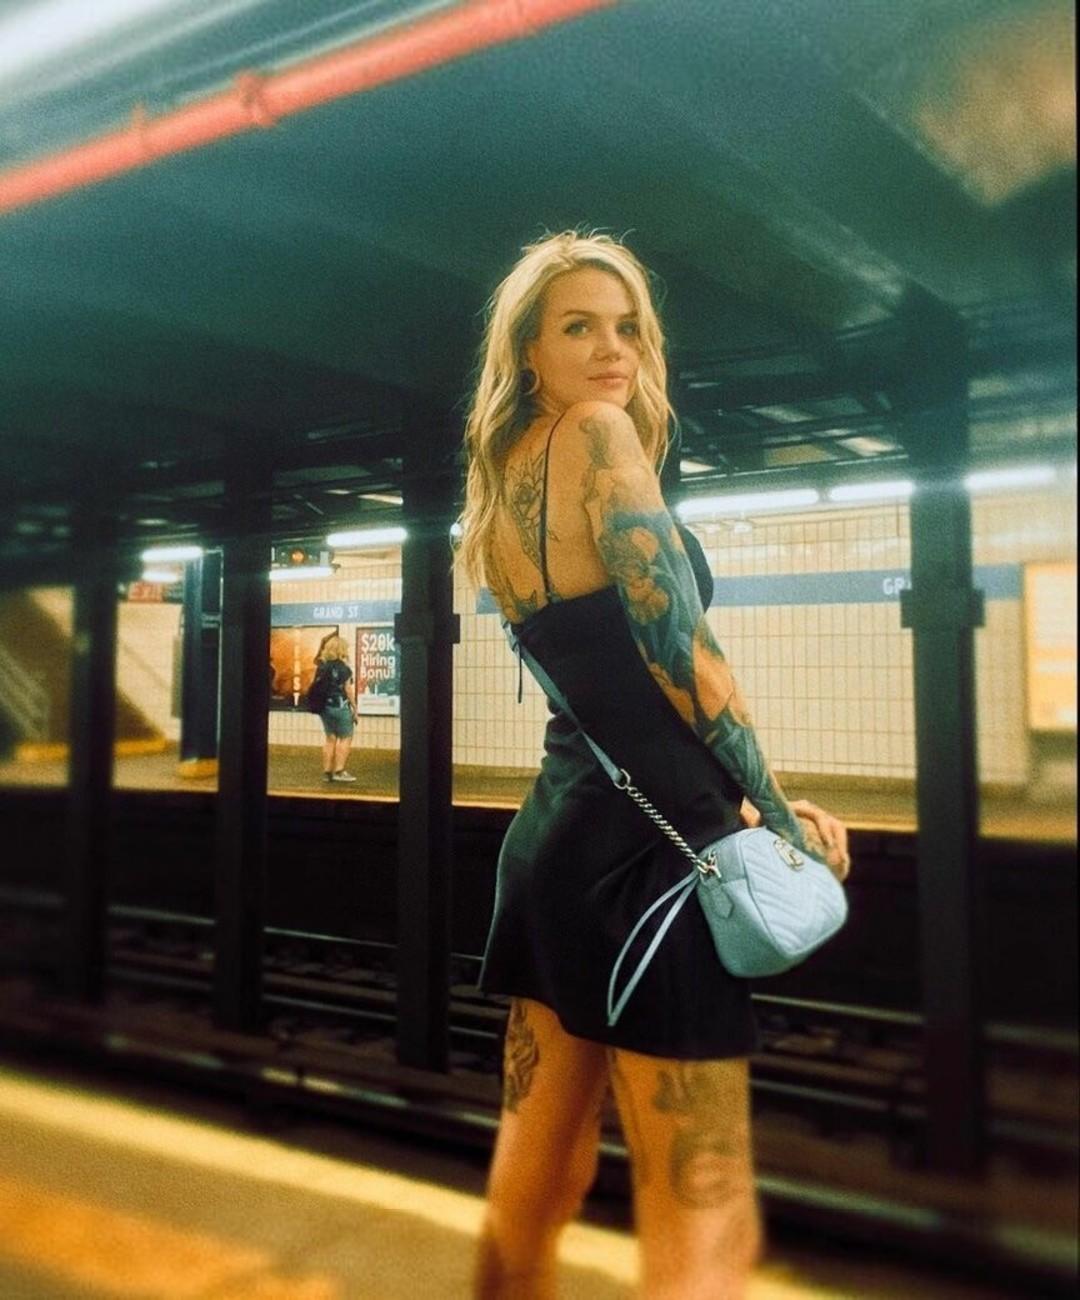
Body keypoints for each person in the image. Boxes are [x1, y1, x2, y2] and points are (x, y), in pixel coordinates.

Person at [456, 230, 851, 1299]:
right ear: (528, 351)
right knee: (705, 1218)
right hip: (662, 861)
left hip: (553, 846)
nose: (613, 350)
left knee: (537, 1177)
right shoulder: (597, 434)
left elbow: (595, 683)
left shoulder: (502, 482)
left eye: (627, 327)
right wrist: (778, 819)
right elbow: (684, 657)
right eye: (578, 326)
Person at [313, 635, 358, 783]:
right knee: (345, 738)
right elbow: (348, 690)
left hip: (325, 708)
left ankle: (327, 773)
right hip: (340, 707)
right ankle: (339, 771)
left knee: (330, 738)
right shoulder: (344, 669)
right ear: (342, 650)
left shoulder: (321, 667)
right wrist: (355, 708)